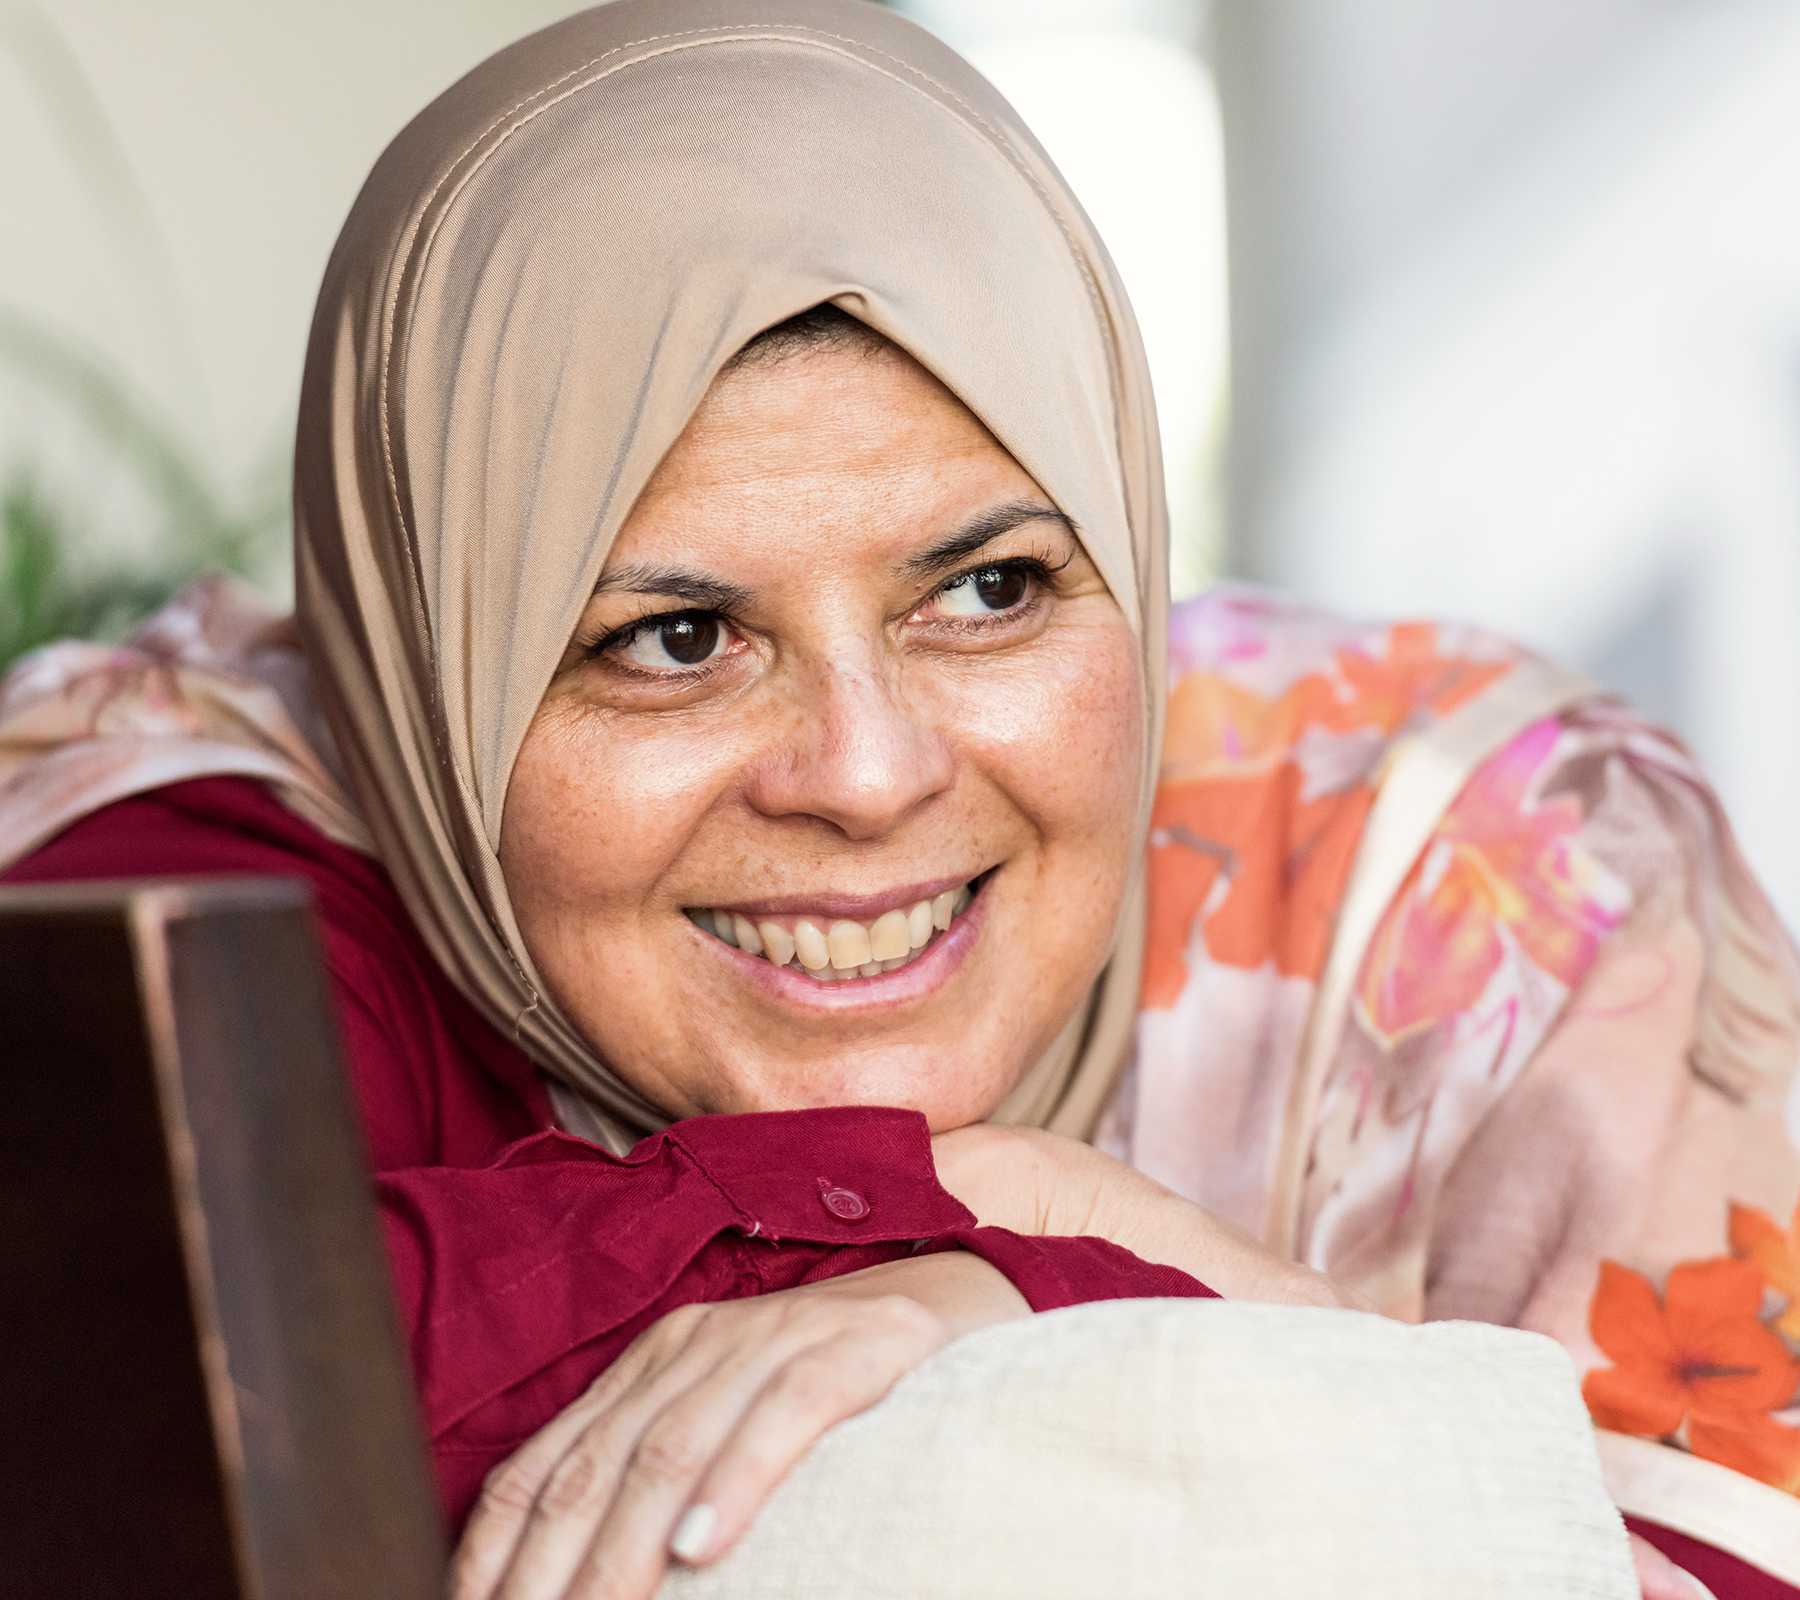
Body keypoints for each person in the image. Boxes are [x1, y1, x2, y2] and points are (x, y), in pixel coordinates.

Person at [3, 1, 1797, 1596]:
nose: (866, 778)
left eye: (994, 590)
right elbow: (111, 1377)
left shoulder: (1492, 865)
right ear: (435, 662)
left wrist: (1064, 1277)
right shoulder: (205, 839)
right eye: (679, 637)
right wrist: (999, 1231)